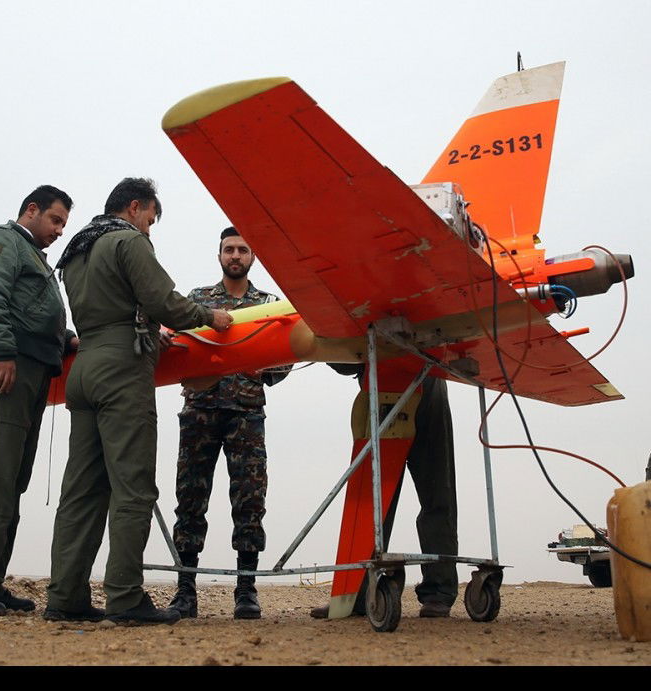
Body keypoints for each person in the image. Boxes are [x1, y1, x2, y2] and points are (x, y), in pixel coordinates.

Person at [44, 178, 234, 625]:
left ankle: (65, 597)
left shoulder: (77, 248)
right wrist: (213, 317)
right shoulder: (128, 241)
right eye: (150, 219)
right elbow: (165, 302)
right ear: (134, 207)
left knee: (81, 491)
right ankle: (126, 598)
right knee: (134, 488)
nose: (150, 229)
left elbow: (117, 311)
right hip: (122, 375)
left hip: (86, 368)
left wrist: (147, 335)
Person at [0, 185, 77, 617]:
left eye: (64, 224)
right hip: (3, 365)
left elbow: (32, 313)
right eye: (55, 220)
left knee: (11, 476)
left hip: (30, 368)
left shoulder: (33, 257)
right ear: (32, 210)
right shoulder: (1, 241)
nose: (59, 230)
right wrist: (1, 351)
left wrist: (65, 339)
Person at [167, 227, 289, 620]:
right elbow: (178, 346)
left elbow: (283, 360)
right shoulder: (198, 301)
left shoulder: (267, 304)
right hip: (200, 411)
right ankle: (185, 589)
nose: (235, 255)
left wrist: (262, 366)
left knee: (250, 500)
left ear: (252, 255)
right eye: (229, 249)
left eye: (242, 249)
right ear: (219, 255)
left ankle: (246, 590)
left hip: (247, 413)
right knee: (190, 499)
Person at [310, 367, 458, 619]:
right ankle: (358, 593)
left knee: (436, 493)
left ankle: (439, 591)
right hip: (379, 386)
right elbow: (344, 361)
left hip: (426, 382)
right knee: (371, 499)